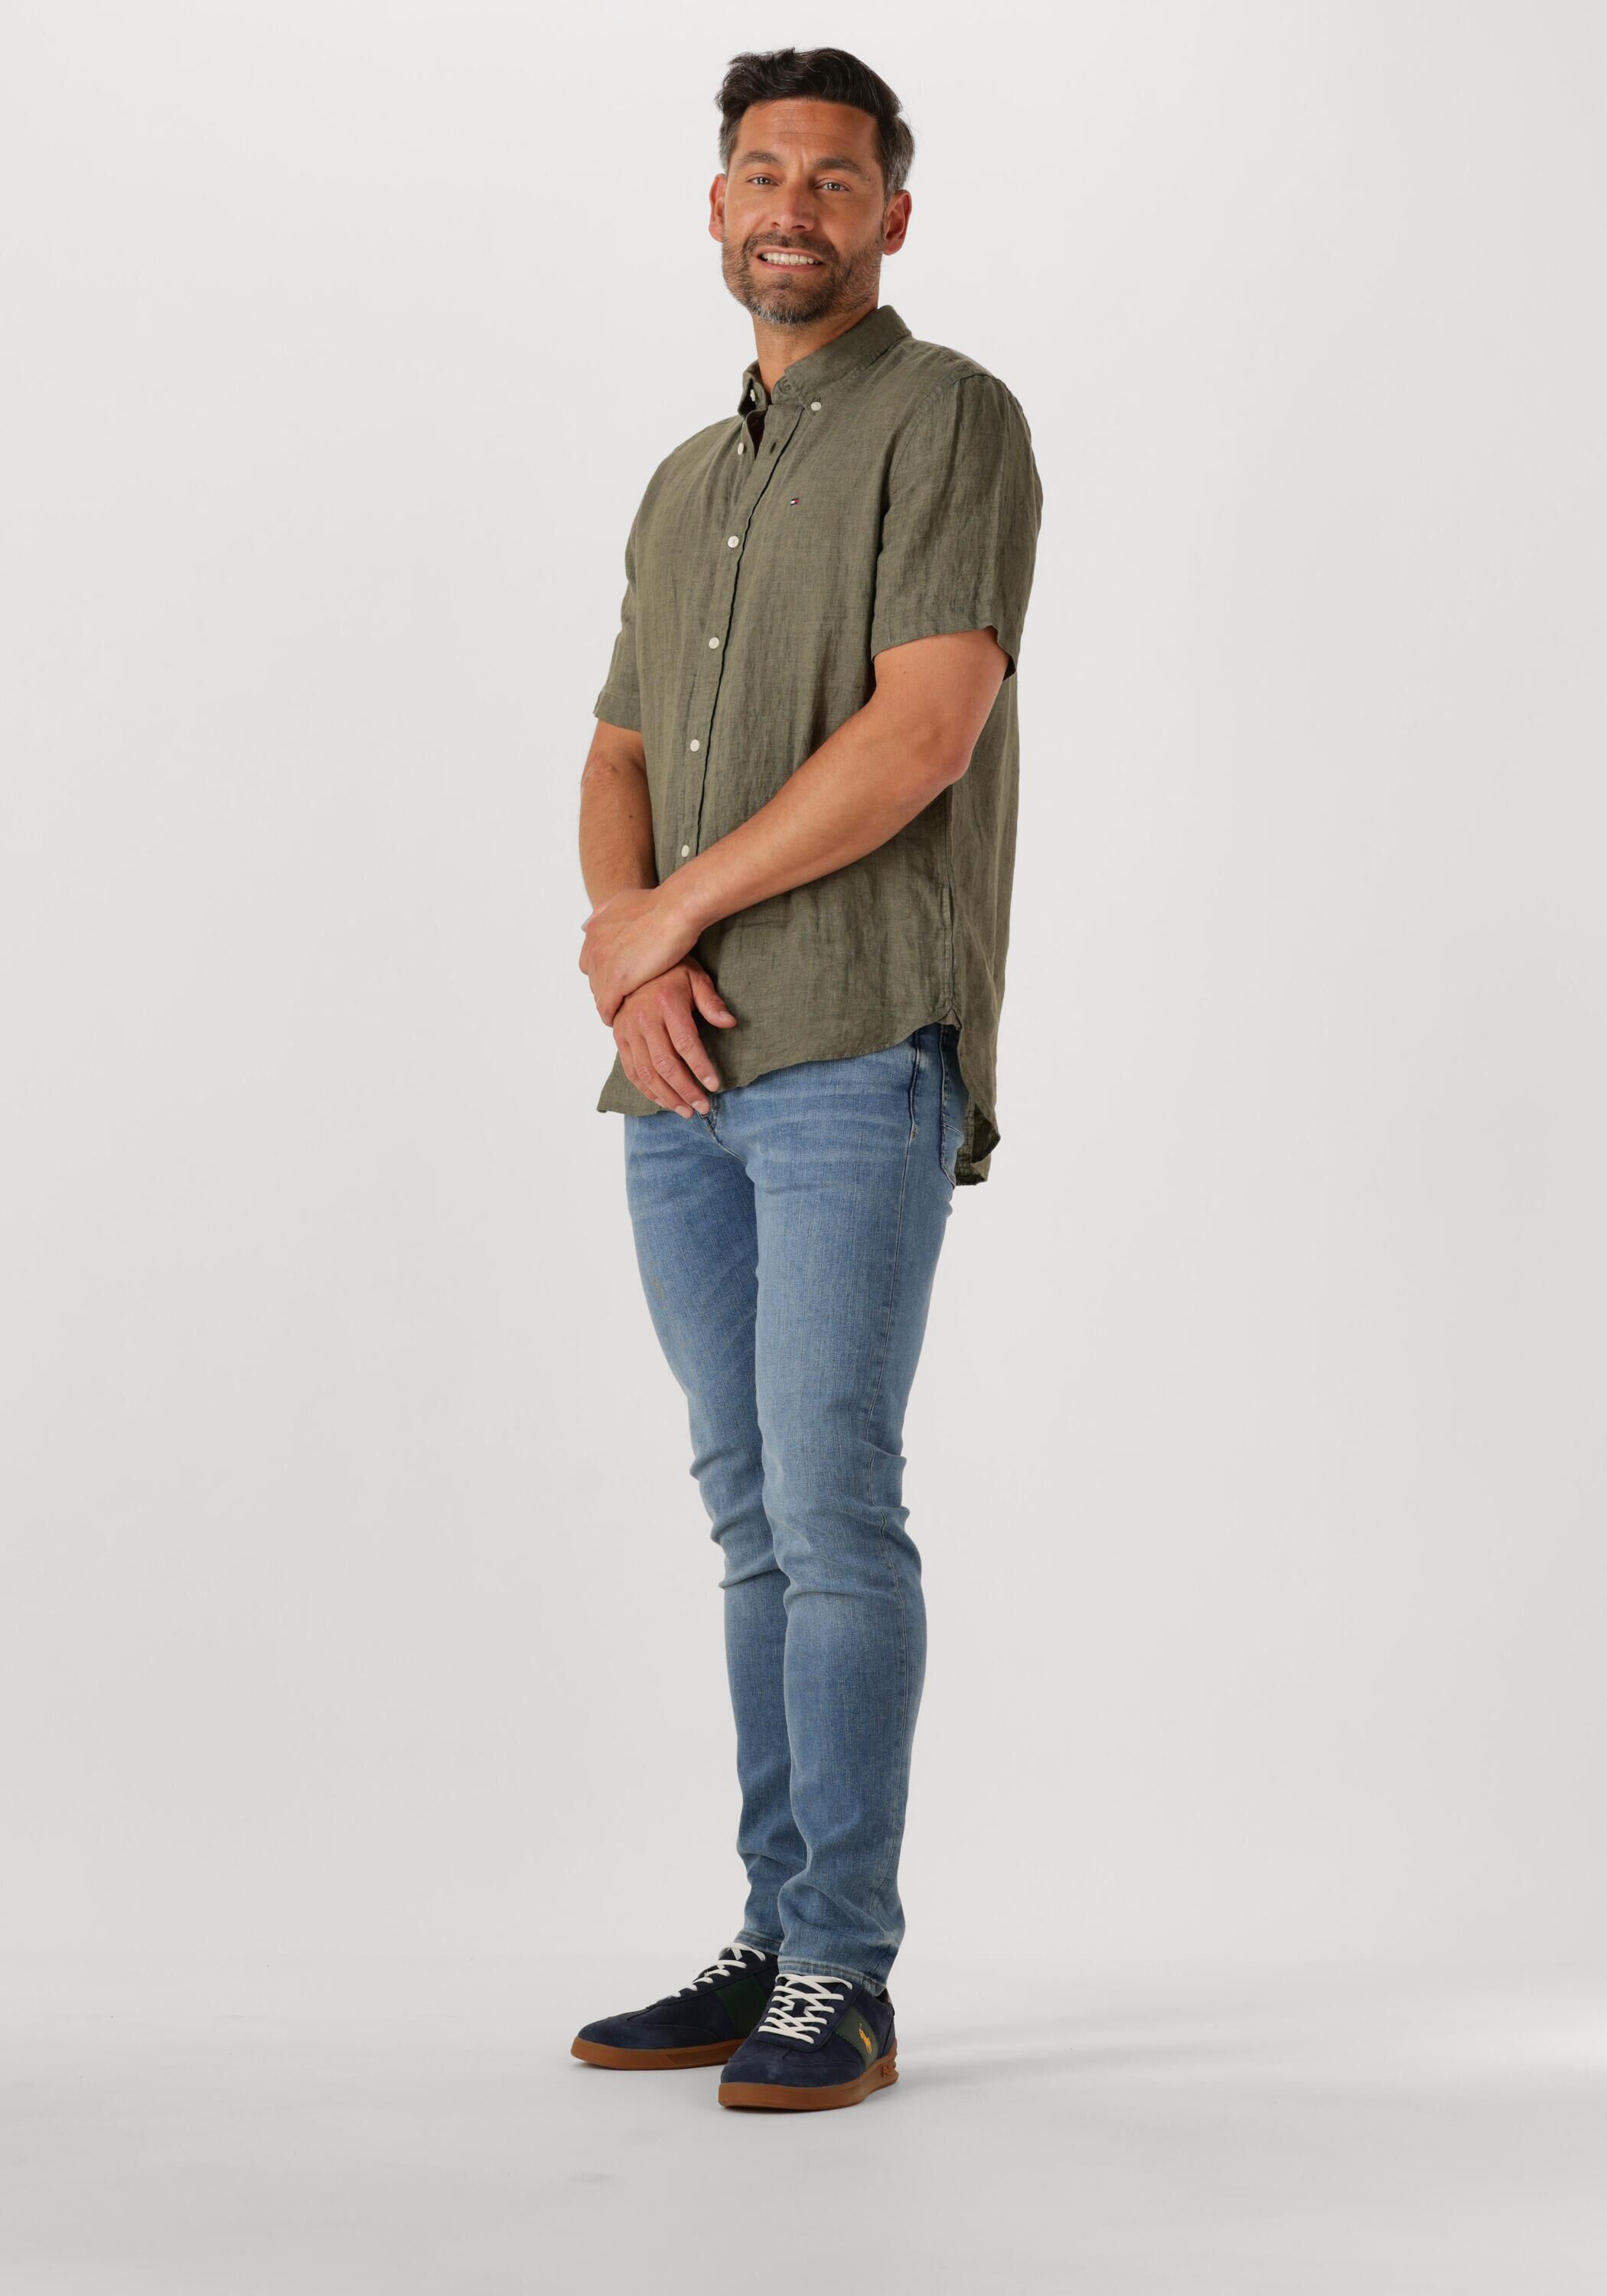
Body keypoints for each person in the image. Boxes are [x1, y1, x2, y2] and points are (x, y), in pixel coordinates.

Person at [572, 44, 1041, 2113]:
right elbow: (616, 750)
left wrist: (669, 918)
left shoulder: (950, 417)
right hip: (681, 1069)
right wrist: (632, 953)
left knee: (836, 1509)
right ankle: (771, 1930)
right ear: (715, 206)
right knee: (750, 1514)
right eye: (761, 172)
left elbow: (924, 730)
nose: (793, 206)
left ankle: (843, 1967)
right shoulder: (687, 476)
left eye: (834, 178)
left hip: (854, 1039)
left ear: (891, 215)